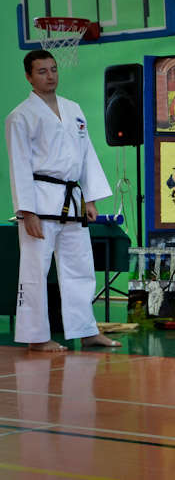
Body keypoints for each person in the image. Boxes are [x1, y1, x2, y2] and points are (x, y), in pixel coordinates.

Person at [5, 49, 120, 352]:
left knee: (80, 268)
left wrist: (90, 198)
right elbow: (19, 165)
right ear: (29, 77)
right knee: (35, 271)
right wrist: (27, 211)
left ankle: (87, 331)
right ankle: (36, 337)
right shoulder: (20, 116)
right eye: (42, 71)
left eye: (53, 69)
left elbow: (86, 154)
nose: (50, 76)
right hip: (40, 202)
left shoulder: (73, 109)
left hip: (72, 200)